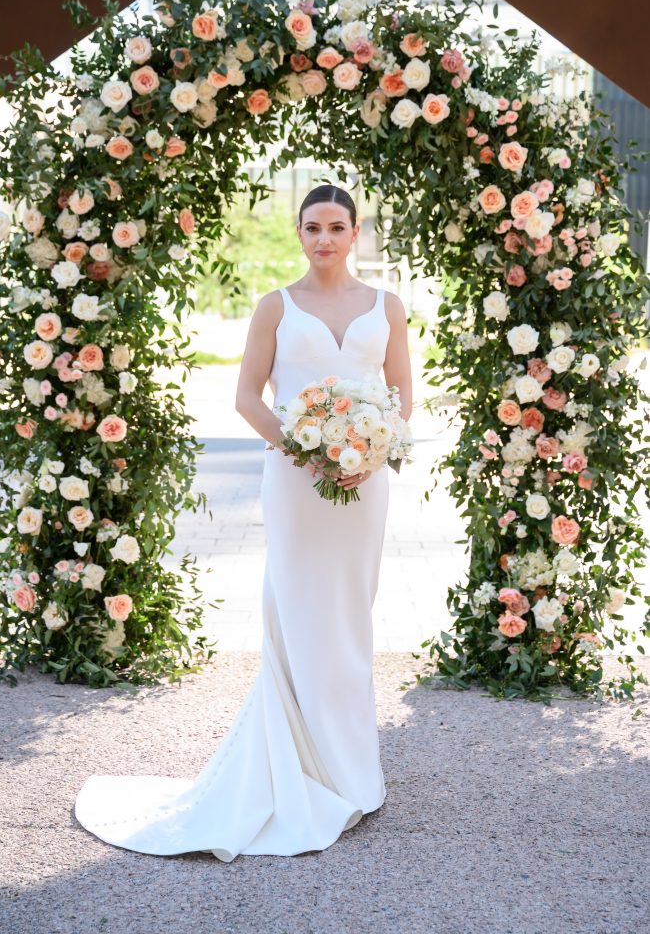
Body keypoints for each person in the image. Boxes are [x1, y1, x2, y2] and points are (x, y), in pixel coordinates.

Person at [74, 183, 413, 862]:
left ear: (356, 232)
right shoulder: (275, 307)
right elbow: (245, 398)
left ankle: (350, 770)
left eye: (337, 226)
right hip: (296, 482)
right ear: (298, 232)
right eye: (312, 227)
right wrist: (307, 448)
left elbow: (403, 397)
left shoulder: (389, 307)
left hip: (364, 485)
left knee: (352, 614)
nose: (324, 239)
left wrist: (372, 452)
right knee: (299, 615)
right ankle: (302, 766)